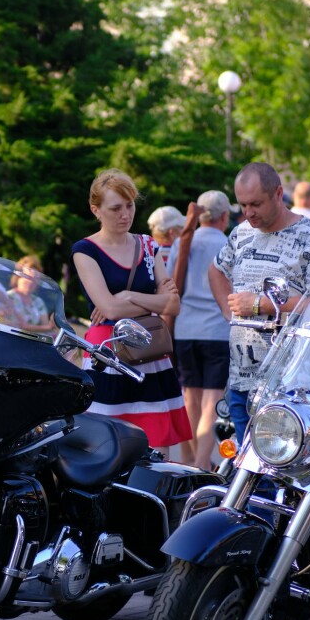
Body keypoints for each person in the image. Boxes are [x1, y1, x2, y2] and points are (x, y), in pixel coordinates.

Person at [209, 162, 310, 442]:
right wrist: (227, 310)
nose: (248, 212)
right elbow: (217, 269)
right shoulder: (242, 232)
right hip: (242, 378)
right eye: (242, 205)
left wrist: (261, 305)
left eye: (256, 203)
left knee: (276, 475)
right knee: (246, 470)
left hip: (290, 383)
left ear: (279, 193)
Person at [72, 169, 189, 448]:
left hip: (149, 350)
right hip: (109, 353)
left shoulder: (148, 246)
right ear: (96, 210)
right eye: (115, 208)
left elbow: (173, 305)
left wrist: (128, 296)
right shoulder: (85, 250)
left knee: (157, 446)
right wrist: (144, 302)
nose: (125, 214)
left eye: (130, 205)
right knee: (106, 443)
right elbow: (110, 309)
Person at [166, 190, 232, 468]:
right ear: (225, 217)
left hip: (185, 328)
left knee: (189, 397)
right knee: (212, 401)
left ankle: (191, 458)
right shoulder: (230, 245)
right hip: (217, 329)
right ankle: (202, 461)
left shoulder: (183, 242)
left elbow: (170, 283)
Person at [8, 254, 56, 333]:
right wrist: (49, 327)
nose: (31, 282)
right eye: (28, 277)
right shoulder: (9, 297)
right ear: (18, 277)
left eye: (35, 279)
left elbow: (46, 326)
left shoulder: (38, 301)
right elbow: (23, 326)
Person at [147, 205, 186, 272]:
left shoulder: (147, 253)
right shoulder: (180, 254)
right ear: (172, 233)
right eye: (181, 227)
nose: (184, 230)